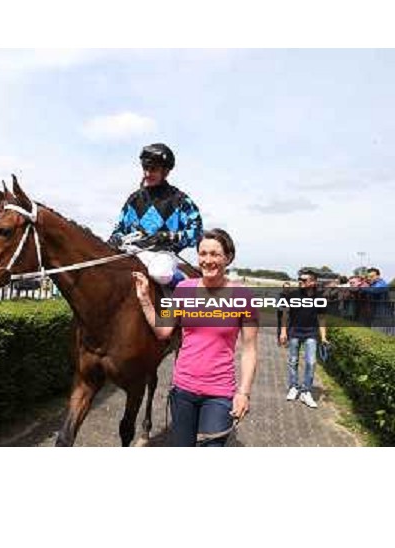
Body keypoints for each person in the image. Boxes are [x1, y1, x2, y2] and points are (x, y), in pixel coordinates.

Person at [133, 228, 259, 447]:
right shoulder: (184, 289)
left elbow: (249, 350)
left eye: (214, 254)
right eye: (203, 254)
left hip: (219, 395)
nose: (207, 260)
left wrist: (244, 393)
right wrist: (144, 299)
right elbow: (163, 331)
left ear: (228, 258)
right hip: (183, 391)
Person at [109, 143, 203, 287]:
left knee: (160, 274)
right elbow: (120, 228)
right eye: (145, 168)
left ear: (165, 172)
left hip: (162, 255)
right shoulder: (134, 199)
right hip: (133, 250)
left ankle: (185, 285)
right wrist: (116, 238)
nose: (147, 174)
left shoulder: (179, 199)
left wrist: (170, 236)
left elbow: (197, 232)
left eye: (153, 169)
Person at [280, 270, 327, 408]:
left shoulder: (320, 298)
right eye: (299, 279)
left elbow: (322, 318)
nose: (300, 281)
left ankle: (306, 391)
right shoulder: (293, 295)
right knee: (293, 361)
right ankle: (294, 387)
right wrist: (283, 332)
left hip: (311, 333)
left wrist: (324, 337)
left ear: (313, 282)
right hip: (294, 332)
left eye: (304, 280)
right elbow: (285, 315)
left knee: (311, 362)